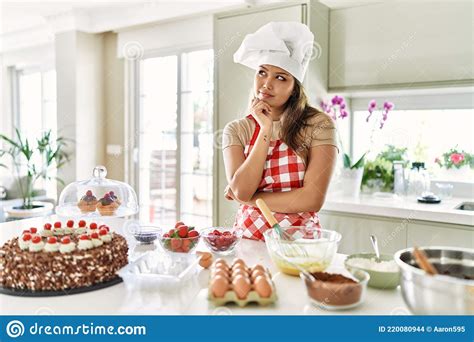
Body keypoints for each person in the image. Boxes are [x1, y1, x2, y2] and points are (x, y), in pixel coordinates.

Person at [222, 22, 338, 241]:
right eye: (262, 73)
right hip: (248, 241)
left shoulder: (318, 125)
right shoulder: (237, 130)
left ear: (295, 88)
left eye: (280, 77)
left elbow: (312, 199)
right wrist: (264, 130)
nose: (266, 84)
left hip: (299, 243)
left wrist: (247, 199)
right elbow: (242, 190)